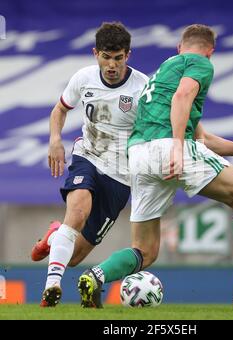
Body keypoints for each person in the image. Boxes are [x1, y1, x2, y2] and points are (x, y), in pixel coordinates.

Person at [78, 24, 233, 309]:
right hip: (168, 147)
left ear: (179, 47)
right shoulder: (199, 63)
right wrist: (178, 147)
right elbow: (183, 97)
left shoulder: (162, 74)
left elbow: (202, 139)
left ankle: (96, 275)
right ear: (210, 52)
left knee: (146, 250)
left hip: (139, 156)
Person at [35, 21, 149, 307]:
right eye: (106, 57)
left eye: (118, 57)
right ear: (95, 53)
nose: (112, 65)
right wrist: (54, 139)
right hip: (88, 156)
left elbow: (153, 129)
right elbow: (60, 109)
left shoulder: (143, 87)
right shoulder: (83, 78)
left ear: (128, 55)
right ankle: (51, 288)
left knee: (73, 256)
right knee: (77, 211)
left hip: (121, 176)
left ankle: (53, 237)